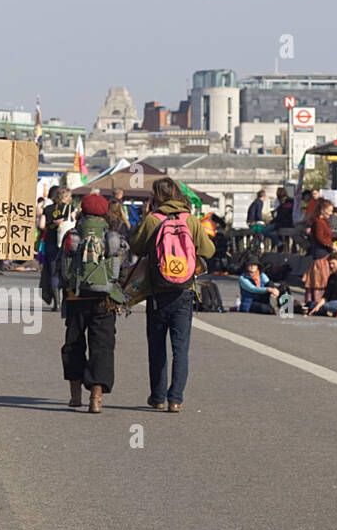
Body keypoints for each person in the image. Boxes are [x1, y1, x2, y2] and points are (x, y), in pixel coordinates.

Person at [129, 176, 215, 412]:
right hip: (184, 291)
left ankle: (157, 396)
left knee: (156, 347)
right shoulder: (190, 219)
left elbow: (135, 247)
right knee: (180, 348)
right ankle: (175, 399)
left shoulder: (152, 219)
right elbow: (209, 249)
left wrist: (145, 218)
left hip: (157, 291)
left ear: (155, 196)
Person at [59, 193, 126, 413]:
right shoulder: (111, 236)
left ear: (82, 211)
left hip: (76, 297)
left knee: (74, 344)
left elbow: (63, 268)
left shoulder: (72, 234)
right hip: (104, 299)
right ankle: (95, 399)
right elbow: (119, 267)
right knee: (102, 347)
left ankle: (75, 396)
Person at [301, 198, 337, 308]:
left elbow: (326, 236)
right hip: (320, 254)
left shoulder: (322, 222)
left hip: (323, 252)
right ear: (323, 210)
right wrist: (333, 246)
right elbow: (320, 238)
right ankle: (317, 302)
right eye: (330, 210)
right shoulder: (318, 222)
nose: (331, 213)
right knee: (320, 280)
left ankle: (317, 302)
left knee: (321, 279)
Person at [41, 186, 74, 311]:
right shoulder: (70, 208)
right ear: (65, 197)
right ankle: (66, 301)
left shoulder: (47, 209)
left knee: (54, 272)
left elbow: (41, 225)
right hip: (66, 243)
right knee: (66, 272)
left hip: (50, 243)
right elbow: (74, 222)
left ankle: (57, 303)